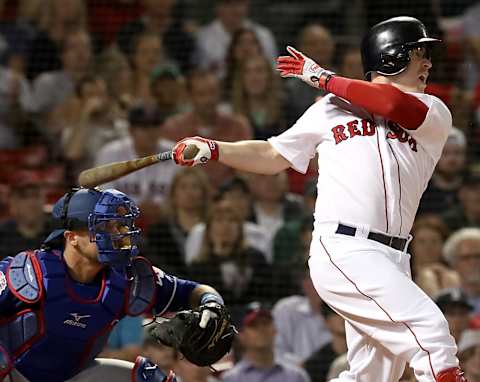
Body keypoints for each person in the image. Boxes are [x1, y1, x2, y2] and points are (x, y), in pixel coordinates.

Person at [172, 16, 467, 381]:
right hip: (344, 247)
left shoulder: (433, 112)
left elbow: (390, 104)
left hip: (394, 257)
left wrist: (322, 77)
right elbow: (273, 155)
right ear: (391, 56)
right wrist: (215, 148)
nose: (428, 63)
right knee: (431, 335)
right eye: (419, 53)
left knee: (373, 376)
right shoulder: (328, 108)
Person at [0, 187, 228, 381]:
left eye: (120, 226)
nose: (119, 234)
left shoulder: (129, 278)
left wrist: (213, 304)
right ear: (71, 238)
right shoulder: (26, 272)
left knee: (150, 378)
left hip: (73, 376)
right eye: (105, 227)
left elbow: (191, 291)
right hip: (15, 374)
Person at [221, 302, 310, 382]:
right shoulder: (231, 379)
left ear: (275, 330)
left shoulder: (296, 377)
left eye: (266, 323)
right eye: (254, 326)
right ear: (241, 335)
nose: (261, 329)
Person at [442, 227, 480, 314]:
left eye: (478, 256)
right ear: (454, 263)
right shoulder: (442, 302)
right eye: (466, 257)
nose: (474, 262)